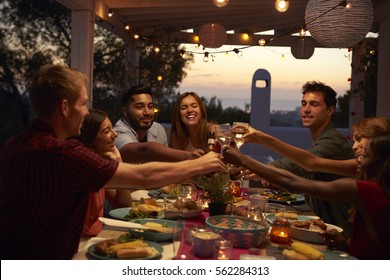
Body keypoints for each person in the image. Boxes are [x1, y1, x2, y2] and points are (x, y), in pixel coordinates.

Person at [0, 64, 225, 259]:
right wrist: (199, 164)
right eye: (83, 104)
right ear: (65, 108)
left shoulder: (13, 145)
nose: (86, 112)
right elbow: (143, 177)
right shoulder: (64, 153)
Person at [223, 131, 390, 259]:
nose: (358, 159)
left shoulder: (369, 191)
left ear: (383, 164)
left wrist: (242, 159)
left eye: (365, 156)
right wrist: (346, 246)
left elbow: (293, 183)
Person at [245, 81, 355, 237]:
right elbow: (300, 162)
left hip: (342, 234)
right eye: (304, 104)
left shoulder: (333, 142)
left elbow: (306, 163)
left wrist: (262, 144)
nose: (307, 109)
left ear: (330, 110)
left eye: (314, 104)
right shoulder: (323, 139)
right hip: (326, 228)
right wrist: (267, 169)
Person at [242, 117, 390, 178]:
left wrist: (263, 139)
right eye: (303, 103)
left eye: (359, 139)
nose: (354, 147)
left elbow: (311, 163)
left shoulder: (356, 165)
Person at [77, 110, 132, 237]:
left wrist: (119, 162)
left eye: (112, 128)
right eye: (106, 131)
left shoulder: (99, 164)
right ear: (91, 139)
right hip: (82, 241)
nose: (115, 134)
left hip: (97, 233)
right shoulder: (84, 169)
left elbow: (122, 205)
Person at [114, 85, 167, 151]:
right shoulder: (117, 134)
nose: (147, 112)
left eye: (150, 107)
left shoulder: (158, 129)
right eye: (140, 107)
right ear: (125, 112)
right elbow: (142, 152)